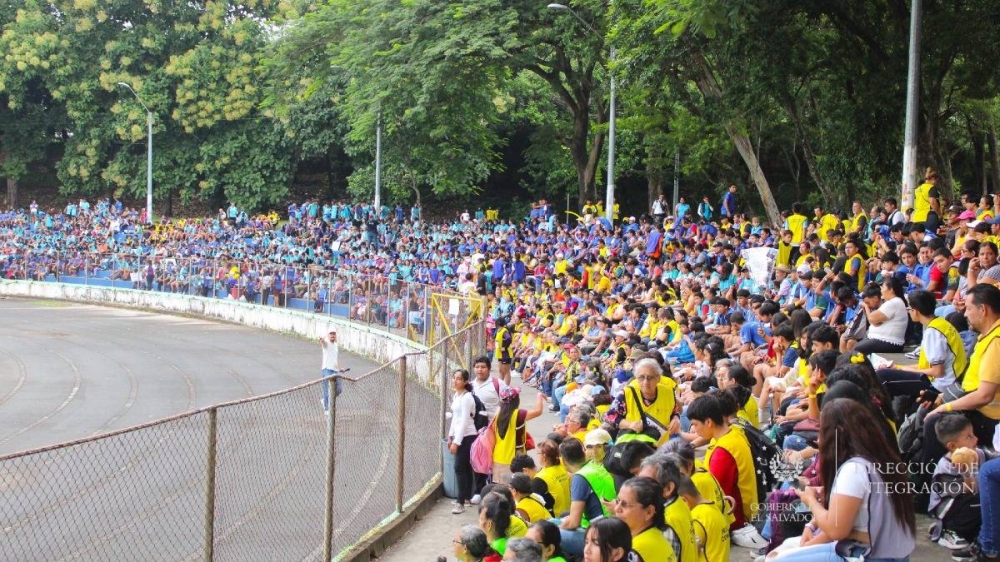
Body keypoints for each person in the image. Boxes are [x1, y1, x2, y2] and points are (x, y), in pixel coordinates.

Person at [777, 399, 916, 562]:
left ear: (839, 433)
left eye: (822, 430)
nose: (817, 438)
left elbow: (836, 531)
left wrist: (811, 502)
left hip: (871, 555)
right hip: (889, 552)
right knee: (783, 550)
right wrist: (811, 525)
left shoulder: (854, 470)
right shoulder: (881, 458)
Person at [687, 393, 765, 549]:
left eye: (695, 424)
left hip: (736, 520)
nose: (694, 430)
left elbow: (713, 497)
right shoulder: (732, 432)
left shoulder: (722, 453)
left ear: (709, 422)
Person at [876, 289, 967, 400]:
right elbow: (928, 366)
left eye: (909, 309)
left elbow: (937, 372)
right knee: (889, 374)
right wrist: (899, 367)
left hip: (941, 385)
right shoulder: (941, 324)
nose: (909, 312)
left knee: (882, 376)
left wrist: (902, 370)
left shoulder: (933, 332)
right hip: (946, 379)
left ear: (916, 311)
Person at [554, 437, 616, 557]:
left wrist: (554, 529)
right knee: (553, 522)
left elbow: (573, 523)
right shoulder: (595, 466)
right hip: (612, 526)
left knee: (546, 533)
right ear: (583, 452)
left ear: (564, 460)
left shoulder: (579, 478)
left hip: (601, 536)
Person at [605, 357, 680, 447]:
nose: (645, 382)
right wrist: (630, 424)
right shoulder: (627, 393)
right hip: (635, 450)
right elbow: (610, 416)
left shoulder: (668, 392)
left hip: (661, 448)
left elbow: (674, 411)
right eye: (641, 377)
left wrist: (676, 419)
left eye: (650, 377)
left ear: (658, 378)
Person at [615, 476, 677, 561]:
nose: (616, 509)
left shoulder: (635, 550)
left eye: (625, 504)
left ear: (649, 512)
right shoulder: (656, 535)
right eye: (617, 501)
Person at [492, 387, 545, 482]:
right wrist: (539, 396)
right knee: (516, 490)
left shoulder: (497, 413)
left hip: (498, 458)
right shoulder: (518, 414)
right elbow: (538, 411)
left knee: (501, 491)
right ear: (516, 400)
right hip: (515, 461)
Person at [449, 369, 481, 514]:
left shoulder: (467, 397)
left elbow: (464, 422)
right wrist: (451, 436)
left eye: (459, 379)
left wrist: (457, 441)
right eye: (455, 378)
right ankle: (466, 497)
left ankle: (460, 502)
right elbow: (455, 418)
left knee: (459, 468)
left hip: (467, 436)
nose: (456, 381)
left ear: (466, 381)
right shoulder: (457, 395)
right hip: (460, 436)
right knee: (466, 468)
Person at [854, 278, 908, 354]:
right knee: (856, 346)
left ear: (891, 290)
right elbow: (875, 322)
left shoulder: (894, 302)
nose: (881, 290)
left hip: (890, 342)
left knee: (857, 349)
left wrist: (866, 307)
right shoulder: (893, 302)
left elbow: (872, 319)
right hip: (880, 339)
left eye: (883, 287)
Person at [536, 440, 571, 516]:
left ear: (544, 456)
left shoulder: (542, 476)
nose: (537, 456)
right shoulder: (562, 468)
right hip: (568, 512)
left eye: (538, 453)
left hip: (556, 517)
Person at [319, 330, 344, 413]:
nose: (332, 335)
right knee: (327, 389)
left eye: (334, 334)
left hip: (335, 370)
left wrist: (340, 368)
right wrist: (322, 339)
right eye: (331, 334)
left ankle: (326, 399)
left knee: (339, 389)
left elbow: (335, 359)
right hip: (327, 369)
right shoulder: (326, 343)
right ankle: (327, 408)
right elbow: (323, 342)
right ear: (328, 335)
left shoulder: (336, 345)